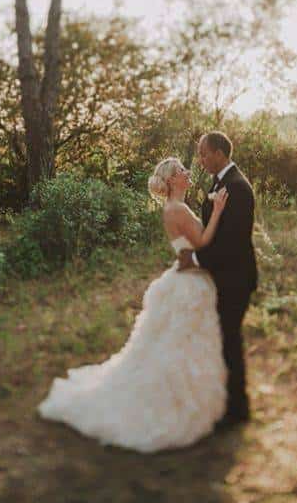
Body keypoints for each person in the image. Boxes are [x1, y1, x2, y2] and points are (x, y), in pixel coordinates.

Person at [36, 157, 230, 453]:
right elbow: (203, 242)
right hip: (190, 282)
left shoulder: (173, 208)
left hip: (184, 277)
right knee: (180, 343)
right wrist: (217, 210)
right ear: (170, 181)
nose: (187, 172)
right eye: (181, 171)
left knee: (174, 342)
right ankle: (174, 401)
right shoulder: (178, 209)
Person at [178, 131, 257, 430]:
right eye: (199, 154)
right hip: (223, 275)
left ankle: (238, 409)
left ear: (221, 153)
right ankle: (231, 403)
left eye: (204, 153)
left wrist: (196, 261)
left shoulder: (237, 187)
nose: (200, 159)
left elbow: (232, 242)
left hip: (236, 277)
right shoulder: (220, 183)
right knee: (224, 339)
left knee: (230, 340)